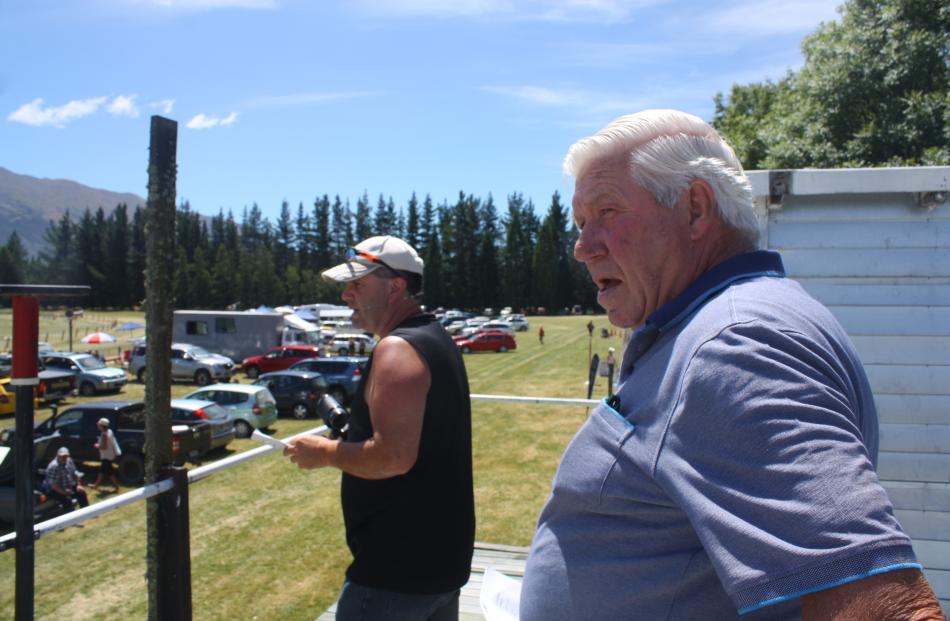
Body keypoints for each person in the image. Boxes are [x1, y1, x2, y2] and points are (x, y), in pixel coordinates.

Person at [520, 109, 945, 620]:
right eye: (581, 223)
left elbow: (884, 609)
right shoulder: (725, 324)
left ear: (696, 208)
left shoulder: (734, 346)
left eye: (607, 212)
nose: (582, 248)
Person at [285, 235, 475, 621]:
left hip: (394, 577)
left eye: (357, 284)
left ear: (396, 288)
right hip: (436, 565)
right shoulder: (435, 338)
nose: (346, 295)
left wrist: (321, 452)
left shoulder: (397, 350)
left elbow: (393, 457)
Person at [89, 417, 121, 492]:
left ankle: (117, 487)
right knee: (102, 471)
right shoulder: (109, 431)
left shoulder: (104, 435)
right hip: (109, 455)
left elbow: (104, 446)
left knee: (109, 472)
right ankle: (96, 485)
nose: (98, 426)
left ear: (102, 426)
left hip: (106, 456)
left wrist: (97, 445)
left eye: (99, 425)